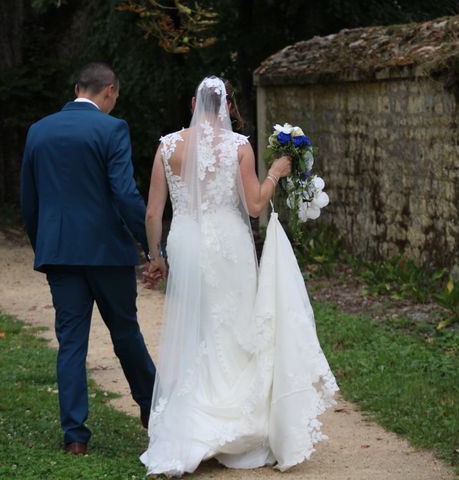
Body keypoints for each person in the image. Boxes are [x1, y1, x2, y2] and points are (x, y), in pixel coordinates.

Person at [141, 76, 338, 475]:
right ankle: (235, 421)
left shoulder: (167, 146)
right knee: (232, 326)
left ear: (192, 104)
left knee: (197, 327)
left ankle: (192, 421)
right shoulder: (239, 147)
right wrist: (277, 173)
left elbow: (151, 213)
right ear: (228, 106)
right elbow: (253, 205)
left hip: (186, 241)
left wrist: (155, 256)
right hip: (228, 244)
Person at [20, 62, 156, 456]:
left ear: (77, 87)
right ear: (109, 90)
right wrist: (148, 246)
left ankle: (75, 435)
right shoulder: (112, 129)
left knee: (71, 343)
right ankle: (151, 408)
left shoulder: (39, 130)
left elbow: (29, 199)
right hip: (106, 252)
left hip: (59, 252)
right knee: (125, 332)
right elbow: (125, 194)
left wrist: (43, 243)